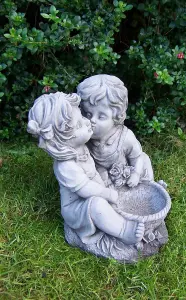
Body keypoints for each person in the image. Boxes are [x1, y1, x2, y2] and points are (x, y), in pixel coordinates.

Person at [27, 92, 144, 245]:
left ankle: (115, 218)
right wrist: (107, 193)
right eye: (79, 125)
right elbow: (85, 189)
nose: (88, 122)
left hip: (96, 191)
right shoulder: (66, 166)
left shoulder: (80, 147)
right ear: (61, 142)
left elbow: (93, 171)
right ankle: (125, 232)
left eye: (82, 117)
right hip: (77, 208)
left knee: (106, 199)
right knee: (97, 206)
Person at [77, 74, 154, 188]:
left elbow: (138, 158)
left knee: (144, 165)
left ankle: (150, 189)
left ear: (116, 117)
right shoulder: (86, 138)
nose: (92, 120)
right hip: (105, 181)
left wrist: (136, 174)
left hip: (129, 178)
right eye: (88, 114)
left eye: (101, 116)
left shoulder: (125, 138)